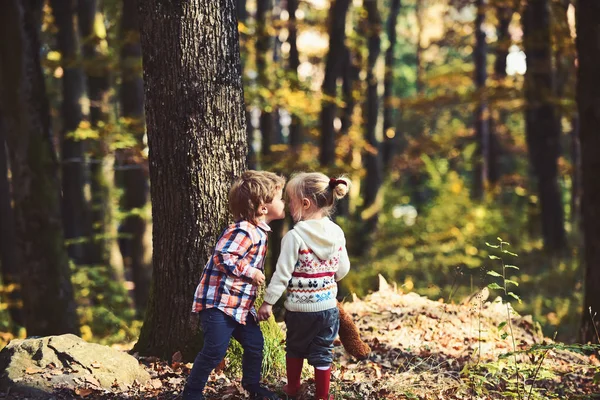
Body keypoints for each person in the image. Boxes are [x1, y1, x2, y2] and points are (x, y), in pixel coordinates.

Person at [183, 170, 285, 400]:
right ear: (263, 208)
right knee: (214, 350)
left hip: (239, 308)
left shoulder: (260, 232)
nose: (284, 202)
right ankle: (192, 392)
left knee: (255, 344)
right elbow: (223, 257)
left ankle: (252, 385)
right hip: (219, 304)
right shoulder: (243, 230)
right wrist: (251, 272)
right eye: (280, 198)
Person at [257, 172, 351, 400]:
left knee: (295, 348)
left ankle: (292, 387)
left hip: (300, 310)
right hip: (328, 308)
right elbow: (343, 269)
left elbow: (282, 274)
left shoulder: (294, 237)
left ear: (306, 203)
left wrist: (268, 302)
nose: (288, 205)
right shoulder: (337, 233)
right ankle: (322, 395)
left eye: (291, 200)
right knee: (323, 353)